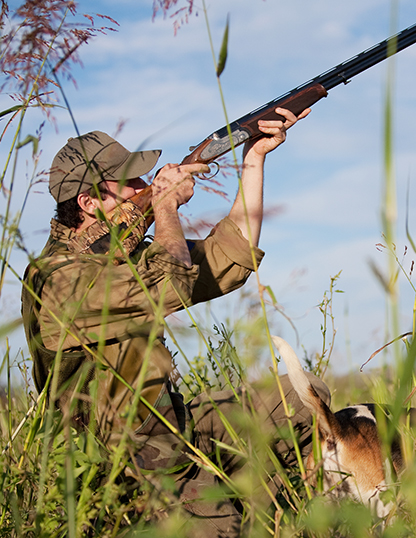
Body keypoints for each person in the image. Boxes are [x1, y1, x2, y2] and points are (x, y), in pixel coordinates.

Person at [21, 108, 329, 536]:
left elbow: (229, 259)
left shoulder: (120, 257)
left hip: (172, 426)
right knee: (220, 530)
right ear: (89, 204)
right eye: (128, 183)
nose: (142, 188)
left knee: (306, 400)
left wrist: (253, 159)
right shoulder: (58, 280)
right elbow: (172, 282)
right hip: (124, 465)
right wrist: (165, 205)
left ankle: (263, 513)